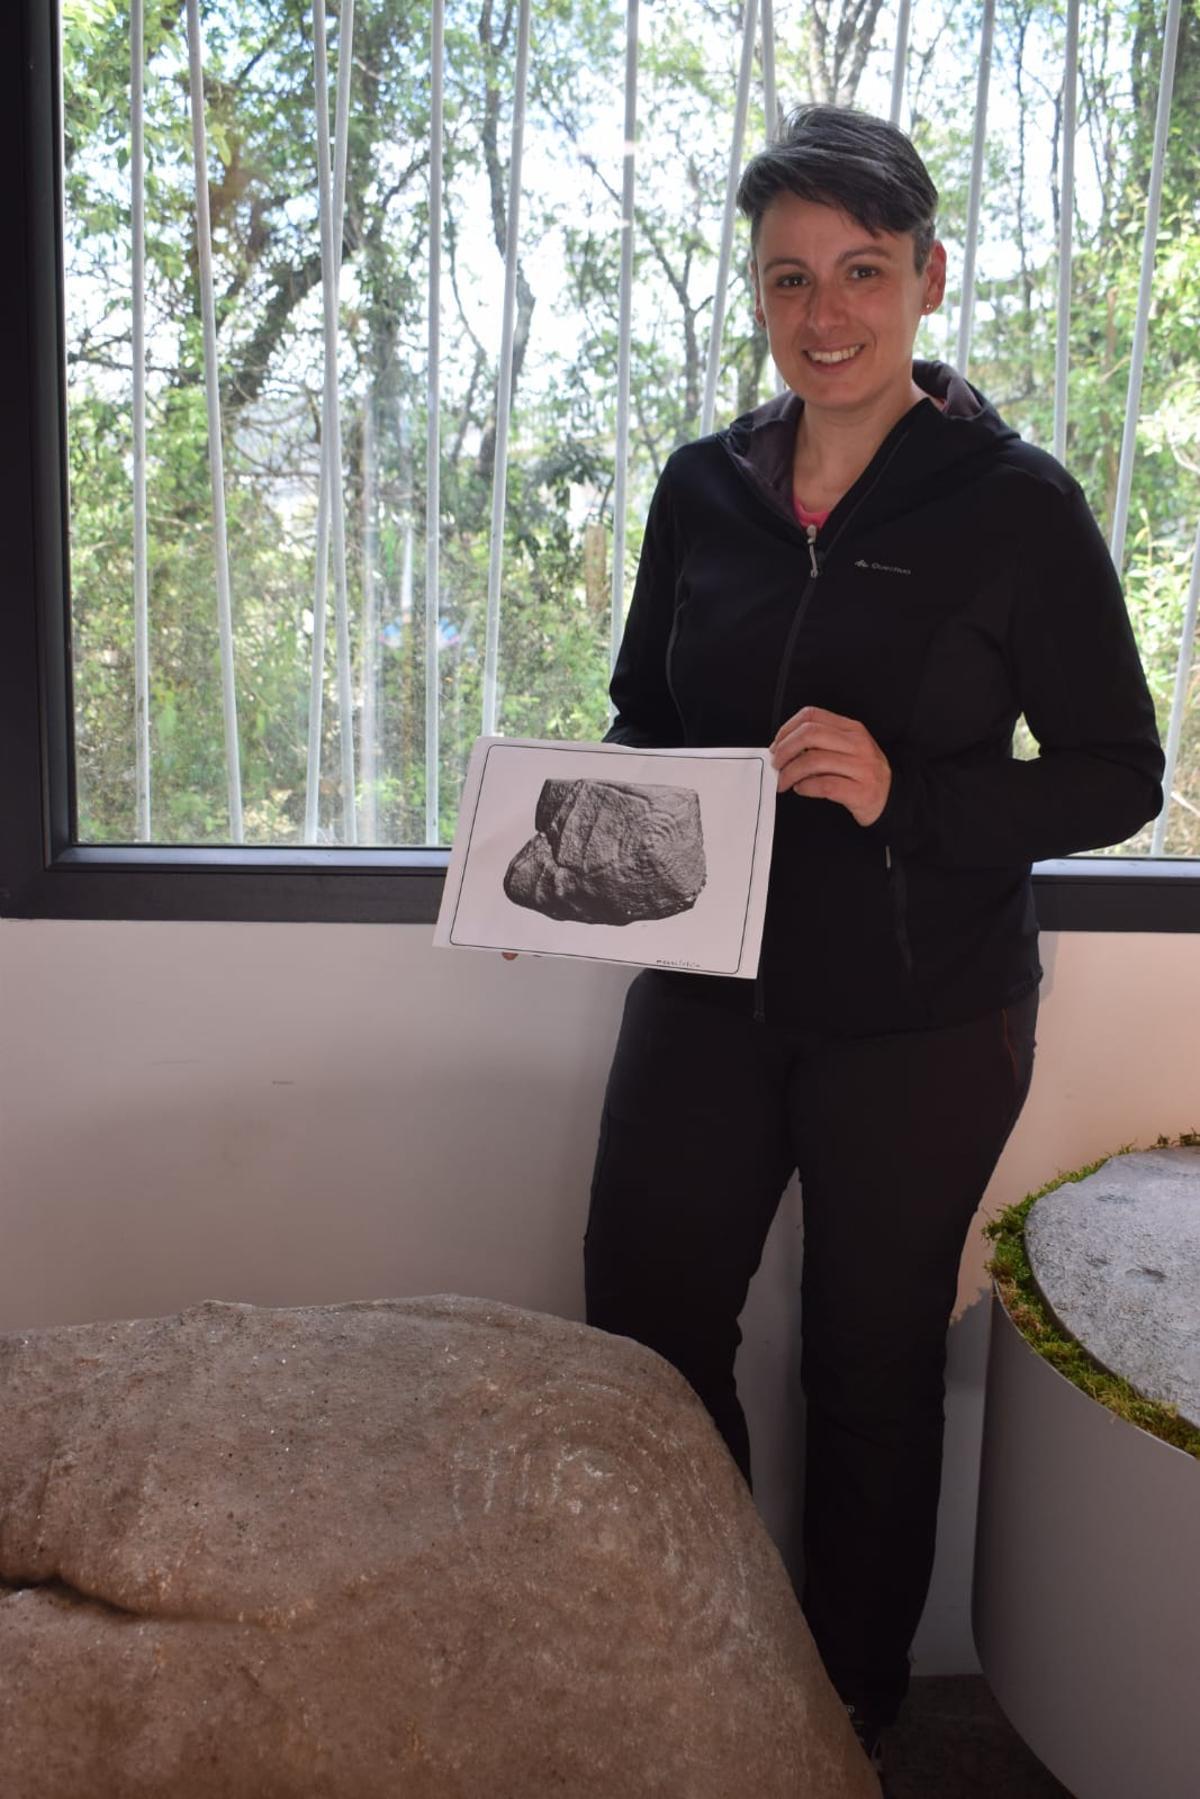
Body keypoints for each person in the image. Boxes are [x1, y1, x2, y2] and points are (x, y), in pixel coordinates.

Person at [582, 103, 1163, 1787]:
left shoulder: (1014, 504)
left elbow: (1123, 778)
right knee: (649, 1334)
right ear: (754, 293)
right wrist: (567, 846)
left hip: (922, 1012)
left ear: (924, 276)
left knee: (871, 1355)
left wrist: (915, 795)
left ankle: (845, 1706)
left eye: (858, 271)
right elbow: (641, 720)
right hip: (706, 987)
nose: (822, 314)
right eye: (785, 279)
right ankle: (676, 1648)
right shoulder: (703, 490)